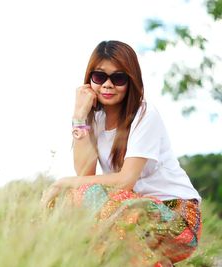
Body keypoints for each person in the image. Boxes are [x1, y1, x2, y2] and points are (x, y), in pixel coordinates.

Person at [40, 40, 202, 267]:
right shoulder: (94, 119)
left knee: (85, 194)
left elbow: (125, 181)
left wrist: (66, 181)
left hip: (177, 218)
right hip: (133, 216)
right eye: (99, 77)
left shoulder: (145, 114)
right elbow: (86, 173)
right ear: (90, 80)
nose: (107, 85)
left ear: (130, 82)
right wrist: (79, 116)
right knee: (74, 201)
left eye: (118, 78)